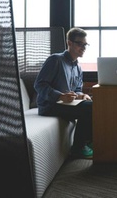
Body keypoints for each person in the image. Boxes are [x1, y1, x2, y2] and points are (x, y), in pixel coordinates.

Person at [34, 27, 93, 158]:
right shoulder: (55, 60)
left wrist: (82, 95)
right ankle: (78, 148)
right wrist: (60, 96)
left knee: (95, 102)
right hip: (50, 105)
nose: (83, 47)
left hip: (67, 104)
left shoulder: (78, 67)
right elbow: (39, 84)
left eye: (85, 45)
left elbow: (77, 89)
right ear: (69, 43)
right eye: (80, 44)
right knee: (90, 108)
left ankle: (89, 141)